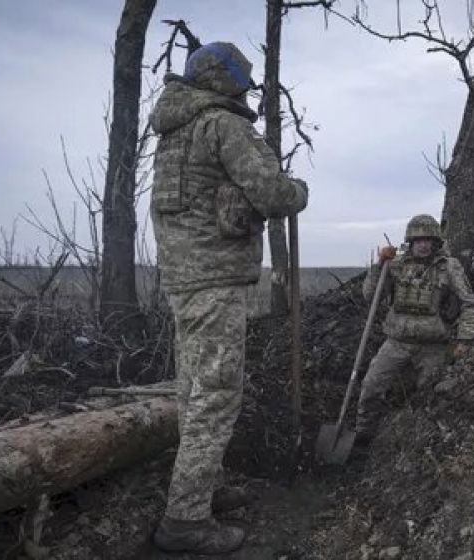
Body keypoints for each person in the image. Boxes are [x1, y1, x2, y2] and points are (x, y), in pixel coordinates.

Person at [148, 42, 308, 554]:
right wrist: (298, 190)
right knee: (216, 396)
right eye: (242, 78)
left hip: (183, 280)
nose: (246, 88)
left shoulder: (175, 130)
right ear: (225, 79)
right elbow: (273, 194)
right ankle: (185, 520)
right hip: (215, 281)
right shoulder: (222, 124)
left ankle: (204, 488)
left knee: (193, 391)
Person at [355, 214, 474, 445]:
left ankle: (419, 442)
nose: (423, 245)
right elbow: (370, 296)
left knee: (429, 395)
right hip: (397, 342)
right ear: (410, 242)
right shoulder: (395, 265)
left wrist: (465, 339)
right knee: (371, 386)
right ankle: (363, 435)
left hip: (433, 347)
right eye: (418, 240)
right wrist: (380, 264)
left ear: (435, 242)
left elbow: (469, 303)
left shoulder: (449, 267)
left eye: (427, 240)